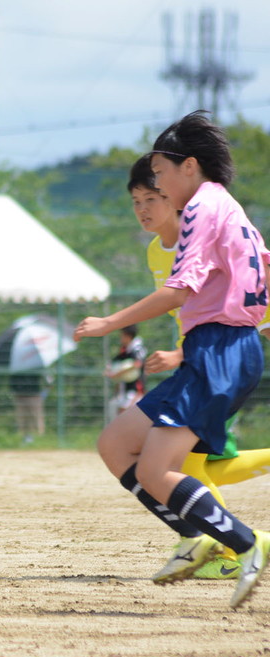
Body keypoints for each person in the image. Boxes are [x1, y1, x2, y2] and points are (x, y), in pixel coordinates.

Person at [74, 111, 270, 609]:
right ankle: (197, 537)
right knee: (117, 444)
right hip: (217, 351)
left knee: (159, 470)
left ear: (188, 167)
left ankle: (245, 544)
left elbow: (181, 290)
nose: (154, 183)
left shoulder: (204, 209)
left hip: (219, 350)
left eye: (158, 175)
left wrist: (107, 323)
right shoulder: (228, 208)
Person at [125, 153, 270, 580]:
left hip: (219, 364)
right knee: (191, 467)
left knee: (186, 468)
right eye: (136, 201)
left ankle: (228, 548)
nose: (145, 209)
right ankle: (219, 544)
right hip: (197, 366)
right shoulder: (157, 251)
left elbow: (241, 313)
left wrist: (182, 354)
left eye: (153, 196)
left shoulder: (204, 235)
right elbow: (188, 314)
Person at [104, 325, 146, 421]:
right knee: (115, 411)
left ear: (128, 336)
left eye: (121, 336)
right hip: (123, 390)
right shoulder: (125, 349)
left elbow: (137, 364)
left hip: (135, 391)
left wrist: (117, 373)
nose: (120, 338)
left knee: (127, 416)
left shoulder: (138, 349)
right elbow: (115, 361)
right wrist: (109, 369)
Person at [8, 371, 44, 444]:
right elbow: (12, 382)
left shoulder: (36, 367)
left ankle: (38, 438)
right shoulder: (17, 368)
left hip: (34, 395)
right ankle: (25, 437)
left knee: (35, 417)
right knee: (22, 418)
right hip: (20, 395)